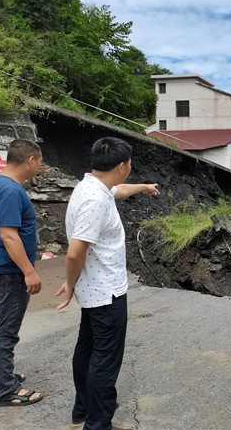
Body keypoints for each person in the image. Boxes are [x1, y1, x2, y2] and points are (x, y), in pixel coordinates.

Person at [55, 137, 159, 430]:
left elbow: (119, 190)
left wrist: (144, 186)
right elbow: (76, 251)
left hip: (95, 290)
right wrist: (69, 284)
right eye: (131, 165)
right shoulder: (95, 199)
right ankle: (98, 423)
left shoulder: (91, 185)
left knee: (88, 348)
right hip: (105, 292)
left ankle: (83, 409)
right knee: (105, 358)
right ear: (123, 165)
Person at [0, 139, 44, 406]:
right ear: (31, 160)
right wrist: (29, 271)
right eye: (40, 162)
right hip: (9, 270)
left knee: (2, 326)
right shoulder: (11, 191)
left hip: (0, 265)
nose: (40, 167)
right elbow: (9, 236)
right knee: (5, 331)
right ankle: (6, 391)